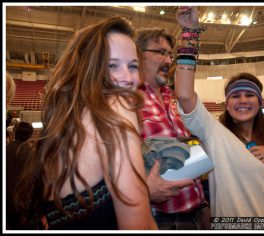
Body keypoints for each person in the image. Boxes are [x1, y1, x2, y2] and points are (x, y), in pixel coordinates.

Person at [12, 17, 157, 230]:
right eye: (112, 66)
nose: (128, 77)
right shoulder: (119, 107)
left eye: (133, 66)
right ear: (88, 68)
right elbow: (138, 226)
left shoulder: (65, 127)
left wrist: (142, 190)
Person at [174, 6, 264, 217]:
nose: (243, 101)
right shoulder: (215, 134)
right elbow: (184, 94)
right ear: (227, 105)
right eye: (236, 96)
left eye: (250, 95)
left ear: (260, 103)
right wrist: (190, 33)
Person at [135, 7, 210, 230]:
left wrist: (203, 205)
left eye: (170, 53)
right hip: (161, 219)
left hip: (197, 211)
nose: (168, 59)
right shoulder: (127, 101)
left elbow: (188, 160)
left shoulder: (173, 99)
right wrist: (142, 193)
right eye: (160, 52)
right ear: (137, 55)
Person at [6, 122, 34, 229]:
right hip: (23, 202)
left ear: (15, 133)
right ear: (30, 135)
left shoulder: (6, 149)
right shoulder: (32, 153)